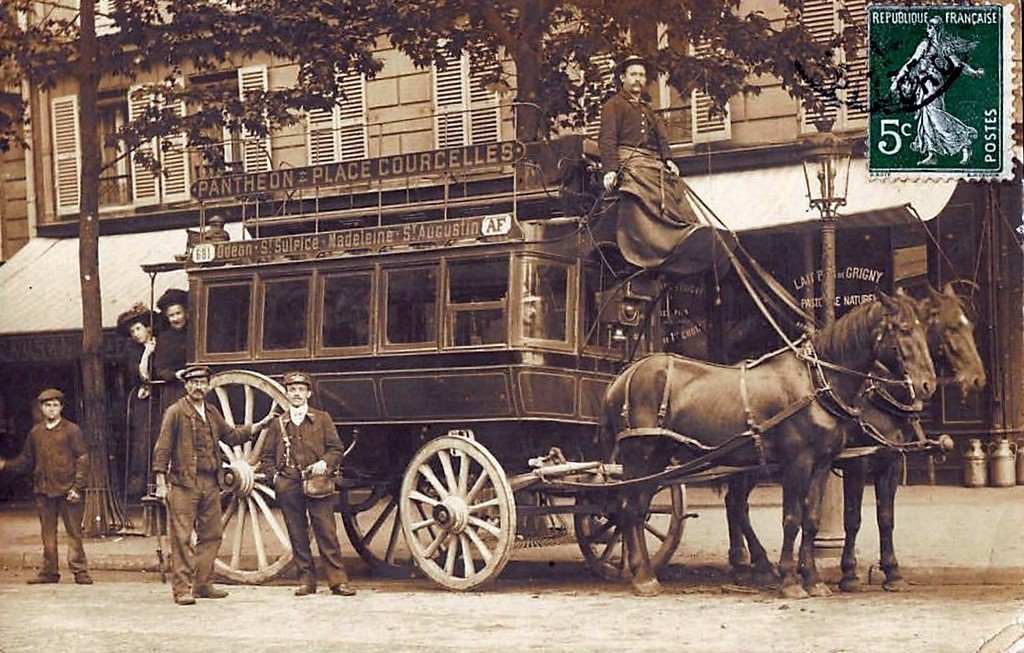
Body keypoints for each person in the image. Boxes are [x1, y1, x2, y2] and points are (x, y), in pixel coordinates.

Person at [152, 365, 276, 605]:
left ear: (208, 385)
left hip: (211, 482)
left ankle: (202, 583)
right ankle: (182, 589)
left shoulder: (211, 412)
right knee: (182, 537)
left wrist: (258, 426)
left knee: (212, 534)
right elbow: (162, 448)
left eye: (203, 383)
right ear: (186, 385)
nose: (199, 387)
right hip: (183, 483)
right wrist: (160, 481)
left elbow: (231, 436)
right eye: (194, 383)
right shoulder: (175, 412)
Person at [259, 371, 356, 597]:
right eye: (292, 390)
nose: (296, 394)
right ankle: (306, 581)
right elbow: (266, 457)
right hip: (289, 484)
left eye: (301, 390)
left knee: (326, 532)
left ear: (309, 393)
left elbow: (336, 449)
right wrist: (276, 479)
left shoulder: (322, 418)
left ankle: (337, 582)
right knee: (297, 533)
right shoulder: (278, 424)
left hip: (318, 482)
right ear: (286, 393)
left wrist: (325, 463)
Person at [0, 389, 92, 585]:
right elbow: (26, 459)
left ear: (61, 407)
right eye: (47, 405)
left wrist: (77, 487)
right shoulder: (36, 433)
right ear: (41, 408)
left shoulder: (72, 430)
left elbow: (82, 458)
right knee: (47, 534)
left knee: (74, 532)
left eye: (55, 405)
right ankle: (49, 572)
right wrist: (5, 464)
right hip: (44, 490)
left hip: (69, 490)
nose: (51, 409)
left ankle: (80, 571)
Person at [889, 16, 984, 166]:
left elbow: (958, 64)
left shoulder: (944, 46)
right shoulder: (924, 45)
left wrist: (974, 73)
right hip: (922, 85)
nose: (928, 30)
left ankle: (965, 143)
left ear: (936, 29)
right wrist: (898, 80)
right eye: (928, 27)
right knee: (925, 119)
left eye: (930, 27)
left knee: (936, 117)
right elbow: (911, 62)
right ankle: (932, 154)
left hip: (935, 86)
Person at [598, 54, 679, 192]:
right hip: (628, 161)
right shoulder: (613, 105)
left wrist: (668, 160)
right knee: (643, 188)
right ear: (623, 77)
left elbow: (662, 137)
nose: (638, 79)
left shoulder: (647, 108)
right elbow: (607, 138)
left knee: (675, 190)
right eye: (633, 74)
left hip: (651, 161)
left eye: (641, 75)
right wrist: (611, 170)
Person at [116, 302, 159, 498]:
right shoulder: (133, 352)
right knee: (144, 439)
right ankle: (144, 484)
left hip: (160, 395)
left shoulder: (162, 343)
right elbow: (143, 376)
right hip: (143, 400)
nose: (135, 333)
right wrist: (147, 353)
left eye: (138, 328)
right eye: (132, 330)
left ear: (148, 328)